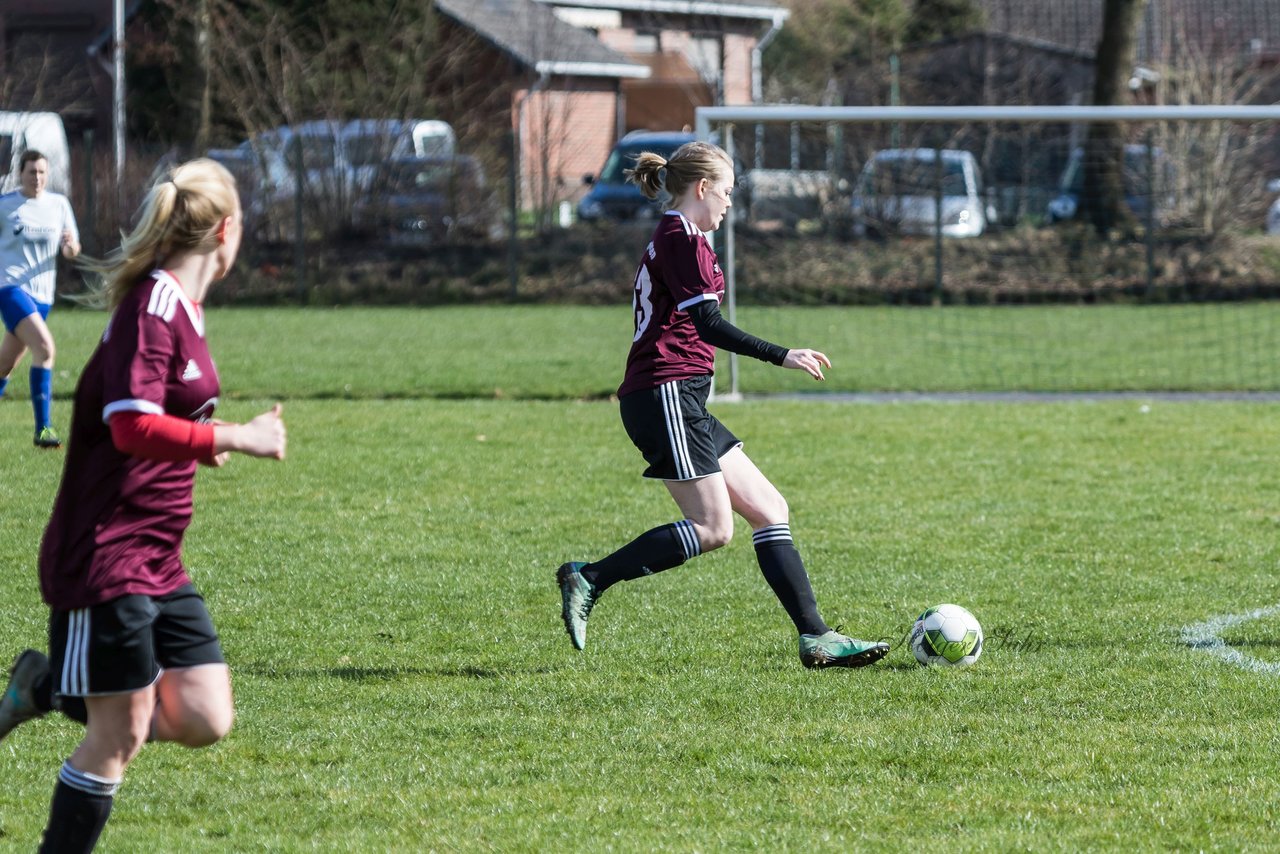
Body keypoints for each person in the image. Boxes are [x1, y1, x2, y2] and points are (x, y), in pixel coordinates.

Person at [0, 158, 287, 853]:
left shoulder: (186, 308)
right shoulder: (153, 307)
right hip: (106, 553)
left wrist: (197, 444)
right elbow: (130, 425)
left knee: (204, 715)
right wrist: (232, 436)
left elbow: (155, 417)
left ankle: (44, 687)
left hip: (158, 555)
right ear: (227, 230)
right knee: (117, 734)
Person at [557, 141, 889, 670]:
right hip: (663, 392)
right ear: (703, 188)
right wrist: (783, 355)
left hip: (679, 395)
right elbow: (706, 325)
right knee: (714, 528)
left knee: (769, 509)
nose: (730, 204)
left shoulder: (688, 237)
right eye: (727, 193)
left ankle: (816, 638)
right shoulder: (680, 238)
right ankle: (590, 577)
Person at [0, 149, 81, 447]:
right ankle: (43, 430)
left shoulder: (59, 205)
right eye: (31, 171)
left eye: (42, 172)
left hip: (43, 297)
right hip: (10, 290)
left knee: (5, 364)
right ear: (20, 173)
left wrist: (70, 246)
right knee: (45, 349)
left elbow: (73, 250)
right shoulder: (6, 205)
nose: (37, 177)